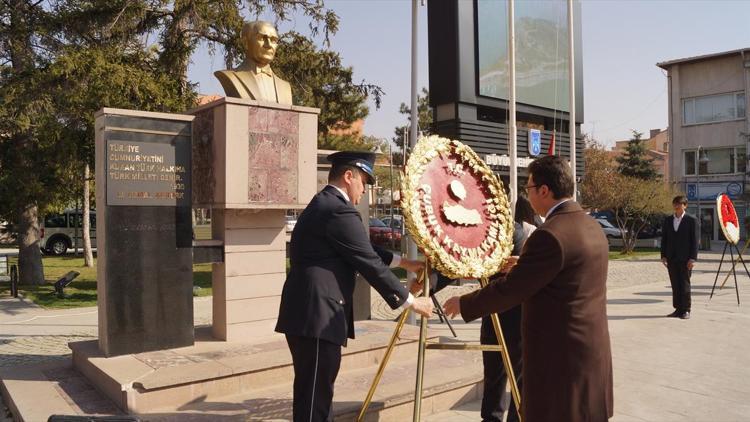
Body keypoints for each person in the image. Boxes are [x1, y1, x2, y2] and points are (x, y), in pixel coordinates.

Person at [443, 155, 614, 422]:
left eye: (530, 188)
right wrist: (525, 263)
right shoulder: (590, 226)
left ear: (544, 190)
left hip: (559, 360)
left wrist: (464, 303)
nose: (528, 195)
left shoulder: (549, 234)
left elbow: (510, 290)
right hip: (590, 355)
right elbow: (570, 271)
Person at [275, 151, 434, 422]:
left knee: (313, 394)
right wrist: (411, 301)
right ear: (349, 177)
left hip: (310, 315)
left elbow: (361, 247)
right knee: (315, 399)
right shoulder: (338, 208)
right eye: (363, 182)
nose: (364, 190)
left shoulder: (325, 204)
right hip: (317, 317)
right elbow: (367, 261)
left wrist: (405, 262)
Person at [479, 194, 537, 422]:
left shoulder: (515, 233)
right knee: (493, 372)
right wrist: (430, 283)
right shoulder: (476, 231)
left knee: (518, 374)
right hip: (490, 313)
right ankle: (490, 418)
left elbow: (516, 280)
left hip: (516, 314)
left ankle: (517, 418)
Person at [214, 20, 293, 104]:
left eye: (273, 40)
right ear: (245, 43)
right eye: (262, 38)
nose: (268, 45)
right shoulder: (230, 77)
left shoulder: (285, 87)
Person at [660, 195, 698, 320]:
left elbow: (694, 240)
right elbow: (664, 239)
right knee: (675, 284)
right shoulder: (668, 220)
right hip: (671, 258)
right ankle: (677, 309)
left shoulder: (691, 220)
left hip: (686, 259)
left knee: (685, 284)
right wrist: (663, 256)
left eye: (679, 204)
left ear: (685, 206)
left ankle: (686, 309)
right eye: (675, 204)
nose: (676, 206)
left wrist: (693, 258)